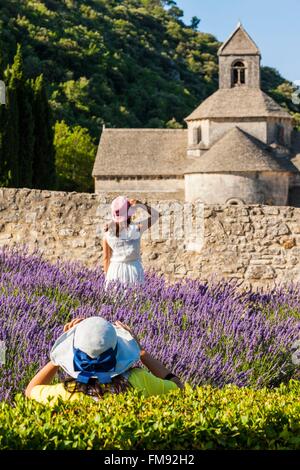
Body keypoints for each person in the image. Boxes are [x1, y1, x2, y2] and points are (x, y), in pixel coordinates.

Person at [25, 317, 183, 404]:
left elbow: (31, 390)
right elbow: (179, 387)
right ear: (118, 351)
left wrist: (58, 356)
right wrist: (141, 352)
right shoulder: (138, 380)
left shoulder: (67, 392)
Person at [103, 197, 159, 286]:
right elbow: (156, 215)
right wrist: (140, 204)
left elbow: (106, 258)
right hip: (134, 270)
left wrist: (107, 277)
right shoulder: (137, 228)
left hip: (114, 270)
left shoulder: (107, 232)